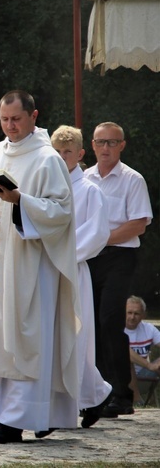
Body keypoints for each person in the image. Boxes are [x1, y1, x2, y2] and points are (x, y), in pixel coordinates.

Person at [0, 91, 80, 443]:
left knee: (26, 337)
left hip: (31, 265)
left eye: (16, 119)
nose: (10, 125)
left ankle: (20, 417)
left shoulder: (47, 159)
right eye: (4, 119)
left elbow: (61, 213)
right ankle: (8, 412)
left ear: (33, 115)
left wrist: (20, 199)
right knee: (3, 336)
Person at [84, 122, 153, 417]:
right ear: (92, 145)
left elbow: (138, 224)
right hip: (89, 256)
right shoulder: (84, 178)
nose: (106, 148)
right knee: (89, 322)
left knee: (110, 320)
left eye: (112, 143)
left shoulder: (132, 180)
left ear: (122, 145)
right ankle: (98, 391)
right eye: (101, 142)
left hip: (119, 256)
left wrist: (101, 238)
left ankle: (121, 394)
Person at [50, 125, 112, 427]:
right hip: (48, 267)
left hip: (73, 267)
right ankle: (93, 394)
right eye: (57, 153)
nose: (62, 158)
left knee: (76, 335)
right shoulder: (47, 187)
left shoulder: (89, 190)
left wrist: (64, 252)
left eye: (68, 153)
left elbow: (97, 232)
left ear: (80, 154)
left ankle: (86, 396)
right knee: (55, 335)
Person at [125, 296, 160, 382]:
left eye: (136, 314)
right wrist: (149, 365)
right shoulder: (116, 329)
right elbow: (123, 351)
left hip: (143, 374)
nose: (132, 317)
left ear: (143, 315)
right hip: (120, 376)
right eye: (129, 313)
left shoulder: (149, 328)